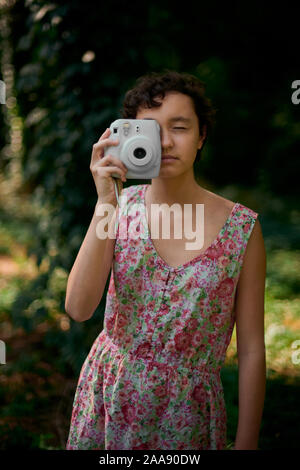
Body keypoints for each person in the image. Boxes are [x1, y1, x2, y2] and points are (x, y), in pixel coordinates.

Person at [65, 70, 266, 450]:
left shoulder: (243, 229)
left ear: (202, 136)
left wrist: (247, 441)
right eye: (150, 131)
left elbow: (252, 348)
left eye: (180, 127)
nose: (166, 142)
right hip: (110, 399)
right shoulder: (119, 210)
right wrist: (105, 202)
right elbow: (77, 308)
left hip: (188, 417)